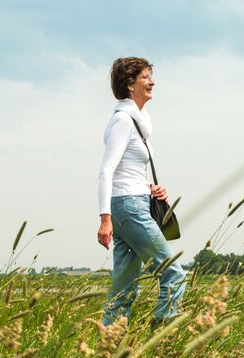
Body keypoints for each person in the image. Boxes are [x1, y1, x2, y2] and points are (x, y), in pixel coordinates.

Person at [97, 57, 186, 328]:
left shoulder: (140, 121)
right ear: (129, 84)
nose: (152, 81)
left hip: (133, 203)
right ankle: (160, 342)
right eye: (145, 77)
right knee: (175, 275)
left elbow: (129, 170)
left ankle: (108, 351)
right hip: (128, 208)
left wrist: (151, 190)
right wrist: (104, 218)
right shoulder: (123, 120)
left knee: (123, 290)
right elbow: (106, 170)